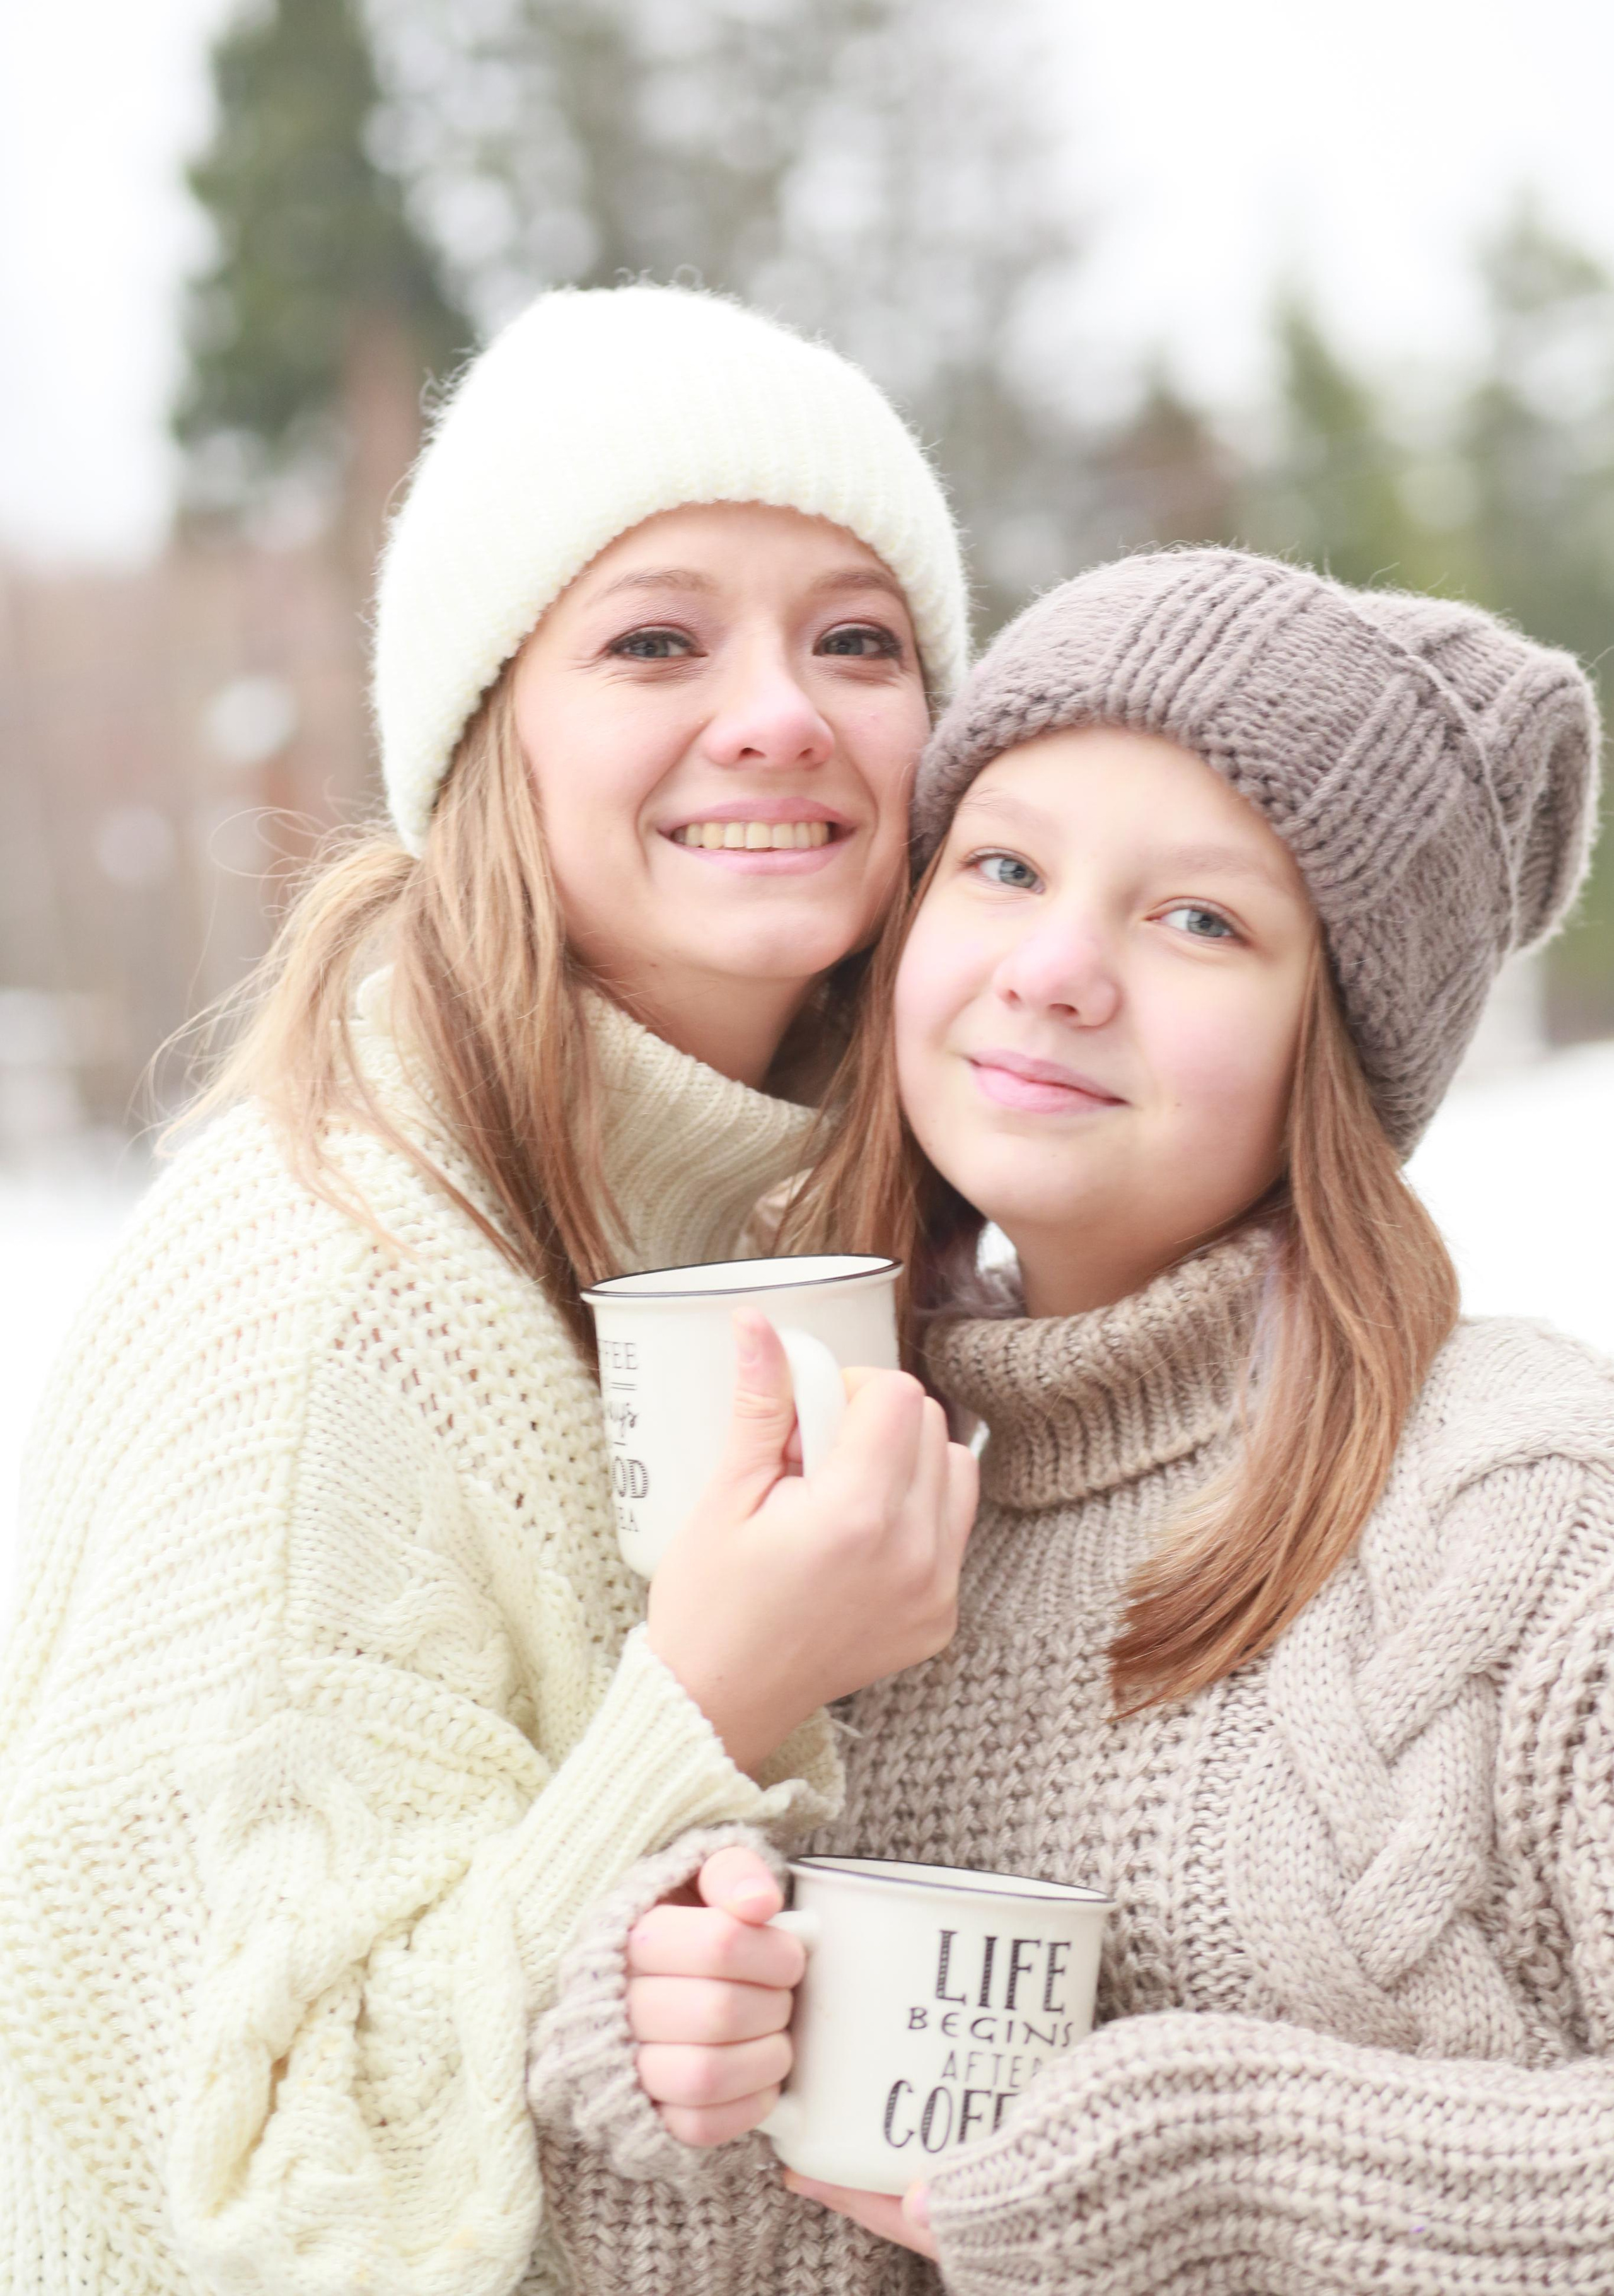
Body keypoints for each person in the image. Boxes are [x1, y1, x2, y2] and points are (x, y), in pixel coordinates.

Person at [0, 283, 978, 2295]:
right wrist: (711, 1695)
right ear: (484, 734)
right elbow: (279, 2203)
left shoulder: (783, 1221)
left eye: (858, 640)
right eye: (655, 639)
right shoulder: (324, 1308)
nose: (782, 709)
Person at [530, 546, 1614, 2293]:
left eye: (1201, 919)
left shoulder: (1529, 1500)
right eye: (1007, 866)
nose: (1053, 971)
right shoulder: (799, 1495)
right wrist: (666, 2047)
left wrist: (1216, 2179)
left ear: (1331, 1044)